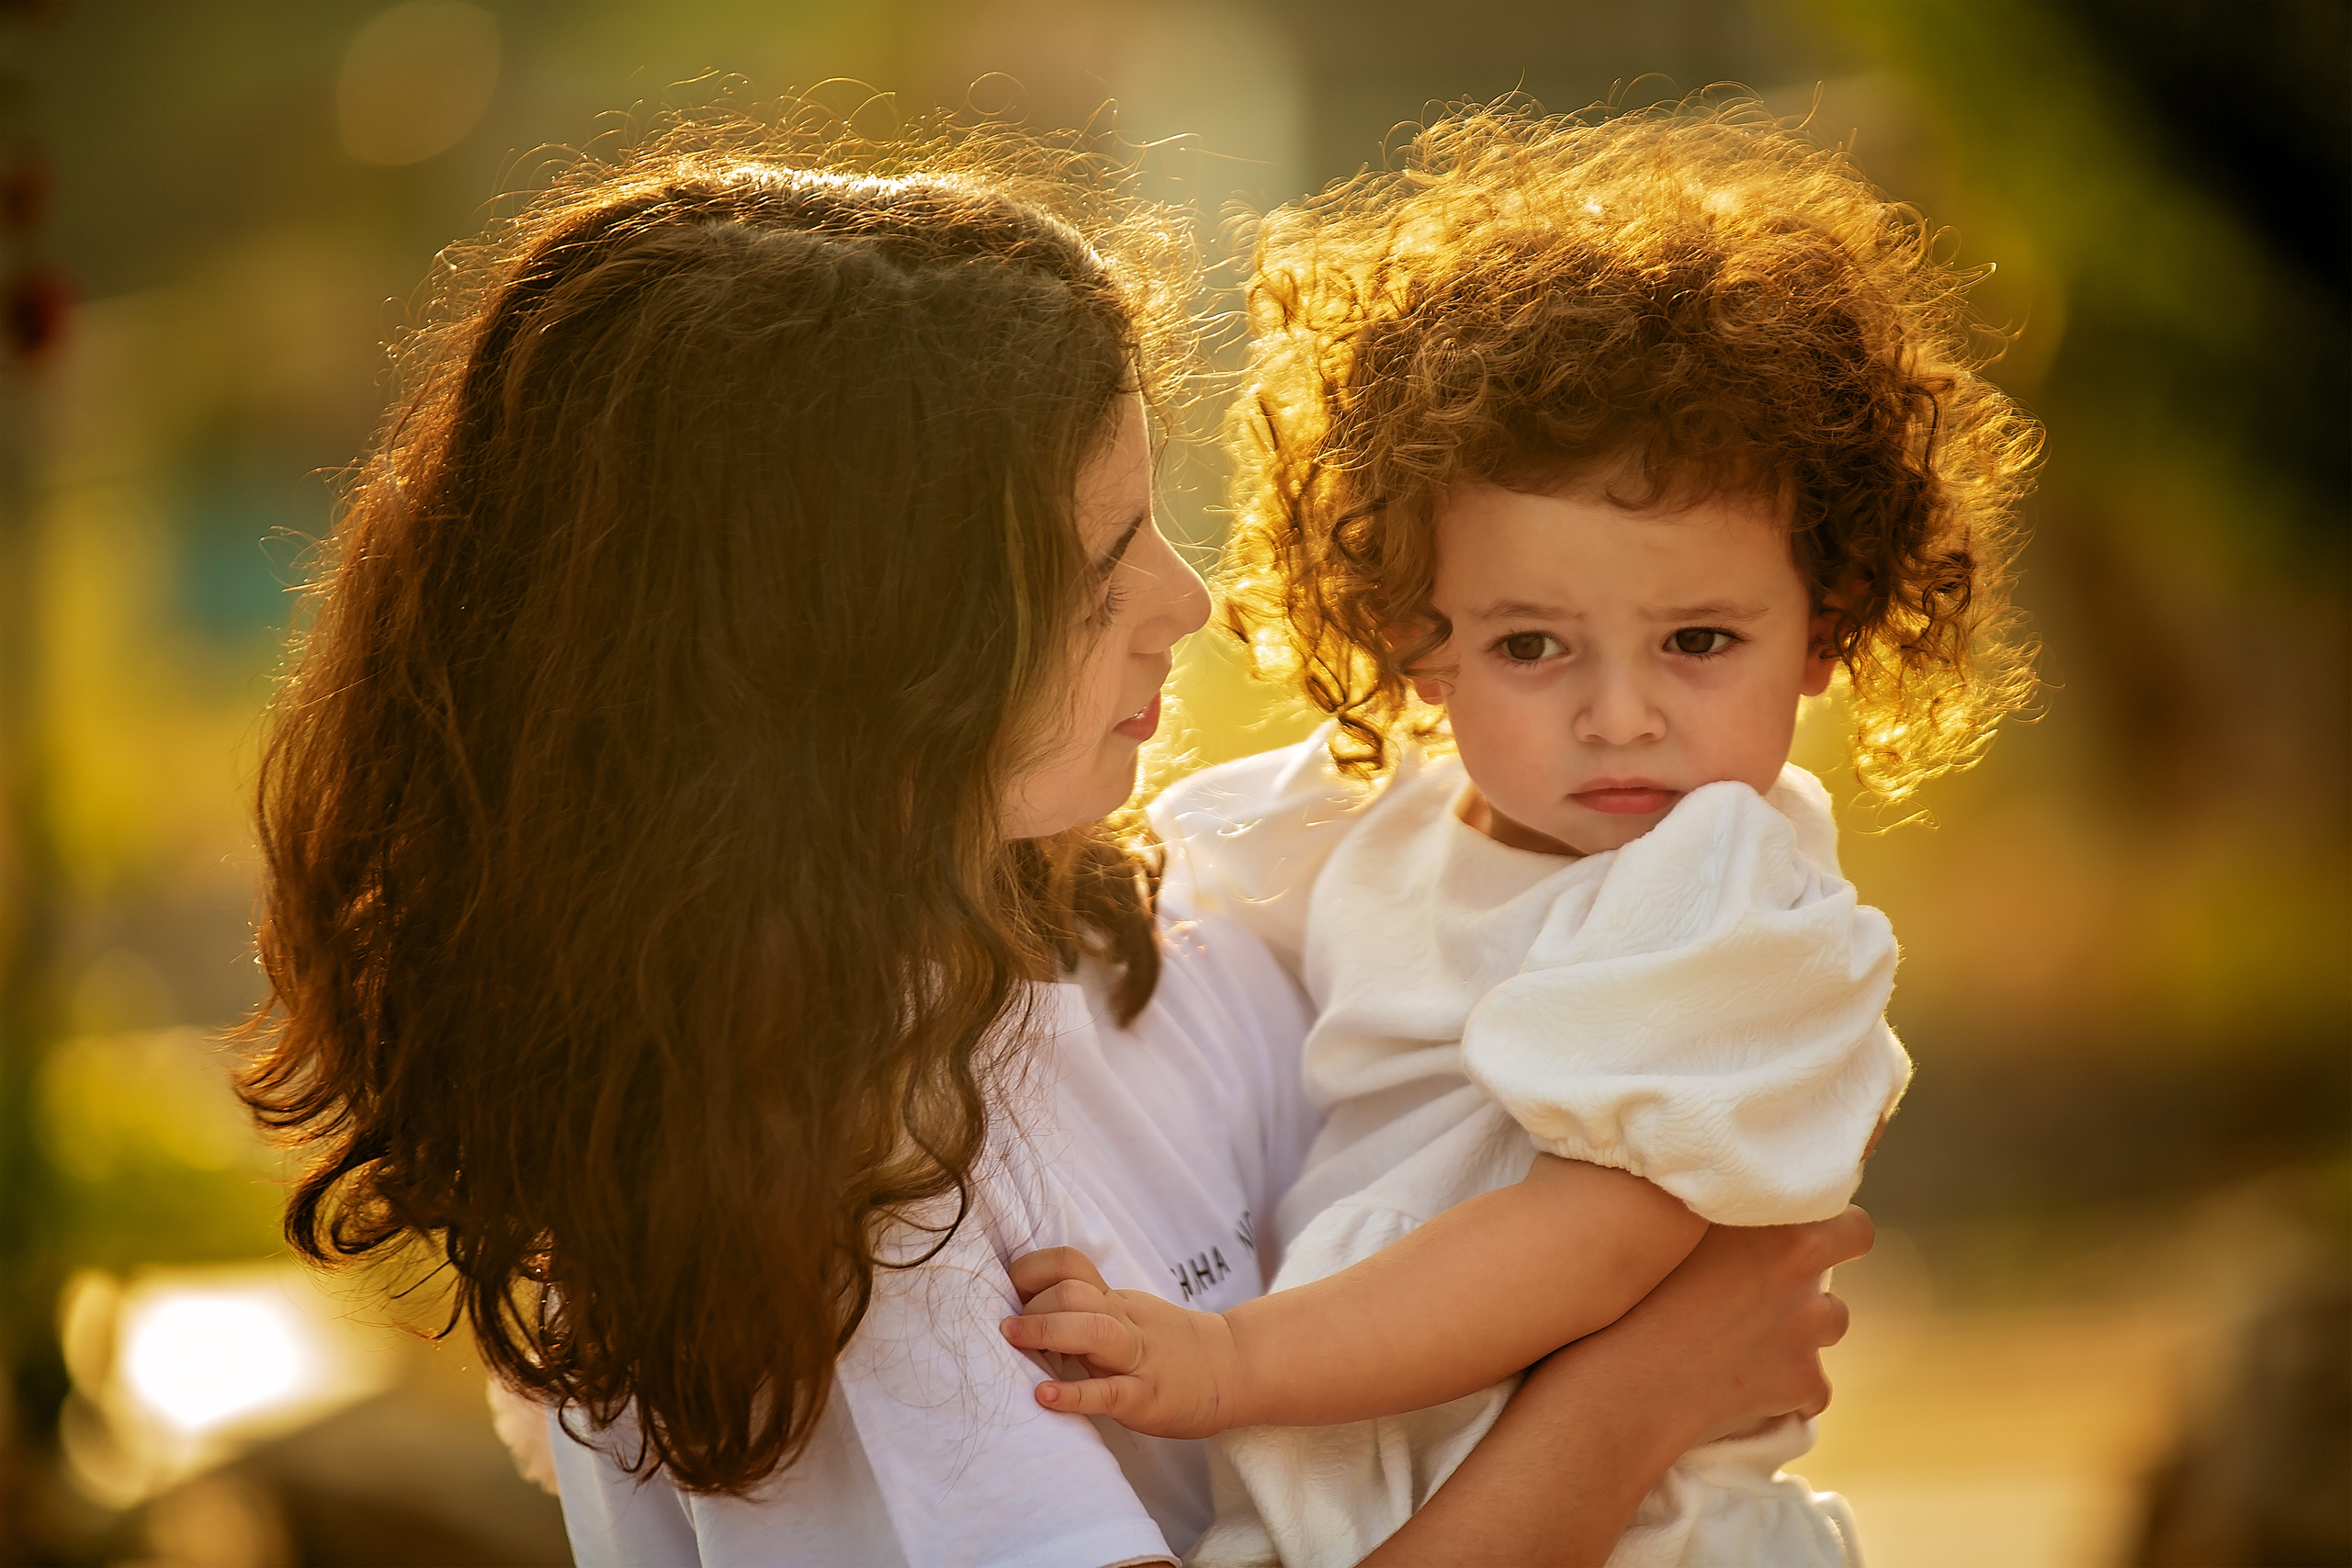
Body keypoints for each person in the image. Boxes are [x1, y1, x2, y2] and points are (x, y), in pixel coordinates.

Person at [235, 110, 1873, 1568]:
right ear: (853, 647)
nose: (1193, 600)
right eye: (1099, 562)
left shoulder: (1153, 949)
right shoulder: (813, 1204)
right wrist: (1632, 1400)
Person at [1002, 101, 2040, 1568]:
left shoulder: (1742, 914)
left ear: (1825, 629)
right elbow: (1145, 889)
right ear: (1418, 642)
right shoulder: (1373, 823)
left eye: (1697, 639)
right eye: (1534, 646)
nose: (1620, 717)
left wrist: (1230, 1365)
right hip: (1371, 1490)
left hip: (1647, 1535)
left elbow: (1586, 1246)